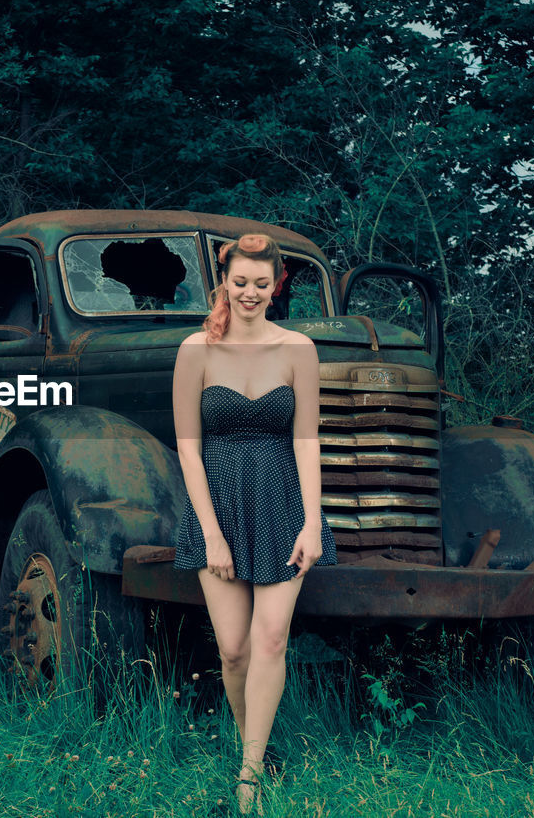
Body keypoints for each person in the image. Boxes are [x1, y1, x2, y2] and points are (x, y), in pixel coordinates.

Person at [171, 233, 337, 815]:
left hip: (282, 504)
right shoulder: (196, 350)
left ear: (277, 286)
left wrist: (313, 523)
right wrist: (210, 531)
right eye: (239, 282)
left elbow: (308, 441)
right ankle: (256, 750)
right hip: (216, 507)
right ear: (224, 281)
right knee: (235, 650)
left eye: (261, 284)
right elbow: (188, 449)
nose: (249, 293)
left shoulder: (299, 349)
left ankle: (248, 777)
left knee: (271, 640)